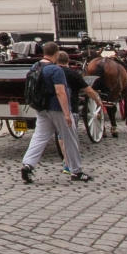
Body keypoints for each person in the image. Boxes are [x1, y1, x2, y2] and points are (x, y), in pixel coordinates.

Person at [20, 42, 93, 184]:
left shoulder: (35, 66)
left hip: (41, 108)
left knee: (39, 137)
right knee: (70, 138)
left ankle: (28, 164)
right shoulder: (55, 70)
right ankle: (76, 171)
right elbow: (60, 92)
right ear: (56, 54)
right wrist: (67, 113)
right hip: (57, 108)